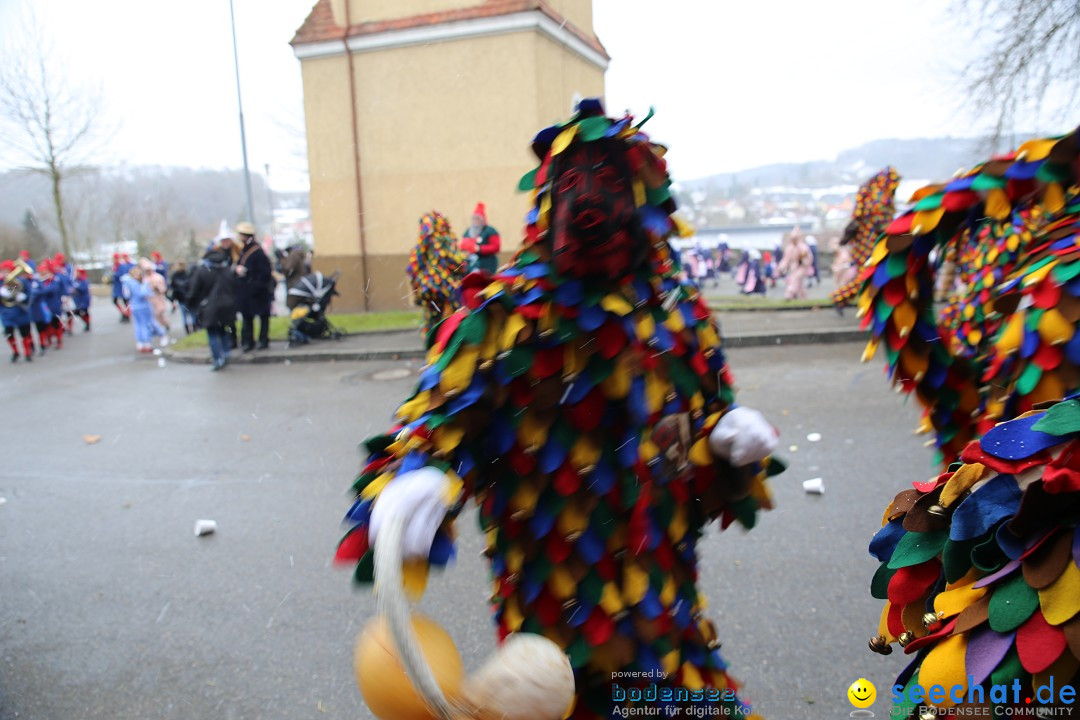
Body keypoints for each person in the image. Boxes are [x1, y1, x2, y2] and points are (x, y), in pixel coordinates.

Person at [337, 100, 782, 720]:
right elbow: (437, 425)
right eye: (572, 181)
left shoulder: (680, 316)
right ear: (547, 199)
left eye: (608, 178)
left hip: (667, 627)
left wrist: (727, 445)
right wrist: (413, 477)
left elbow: (699, 471)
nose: (590, 198)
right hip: (547, 650)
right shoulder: (502, 318)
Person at [406, 211, 468, 337]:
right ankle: (445, 338)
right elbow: (455, 262)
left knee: (433, 316)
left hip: (428, 287)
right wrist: (462, 262)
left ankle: (433, 340)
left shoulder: (424, 243)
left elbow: (415, 265)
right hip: (444, 287)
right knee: (450, 315)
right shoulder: (443, 241)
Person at [186, 246, 237, 370]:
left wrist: (190, 303)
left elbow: (194, 290)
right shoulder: (226, 269)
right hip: (227, 305)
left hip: (209, 306)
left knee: (213, 333)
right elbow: (234, 285)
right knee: (223, 330)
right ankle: (226, 354)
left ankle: (217, 359)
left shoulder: (202, 270)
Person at [233, 221, 273, 351]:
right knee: (247, 318)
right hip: (247, 291)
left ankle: (262, 340)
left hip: (256, 292)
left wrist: (254, 284)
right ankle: (248, 341)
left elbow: (264, 273)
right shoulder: (245, 251)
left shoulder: (257, 252)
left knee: (262, 317)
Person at [120, 264, 165, 353]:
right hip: (143, 306)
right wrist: (145, 284)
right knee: (146, 324)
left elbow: (126, 295)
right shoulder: (136, 283)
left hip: (134, 306)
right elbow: (142, 294)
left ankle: (141, 342)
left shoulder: (127, 283)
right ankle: (147, 342)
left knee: (139, 324)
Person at [1, 260, 34, 362]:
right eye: (3, 270)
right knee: (9, 334)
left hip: (20, 311)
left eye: (7, 270)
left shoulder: (21, 281)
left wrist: (23, 297)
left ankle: (27, 352)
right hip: (6, 312)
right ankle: (15, 352)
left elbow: (30, 293)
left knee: (25, 333)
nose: (5, 273)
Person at [460, 202, 501, 274]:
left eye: (478, 219)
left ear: (482, 220)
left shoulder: (490, 231)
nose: (475, 221)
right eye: (474, 218)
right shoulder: (468, 232)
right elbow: (463, 245)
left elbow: (496, 247)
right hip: (470, 265)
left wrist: (479, 248)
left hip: (487, 265)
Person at [777, 228, 812, 300]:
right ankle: (802, 296)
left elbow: (808, 258)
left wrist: (803, 260)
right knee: (798, 282)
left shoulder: (803, 247)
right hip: (794, 267)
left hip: (802, 266)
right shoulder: (790, 247)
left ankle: (790, 293)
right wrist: (781, 266)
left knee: (795, 278)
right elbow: (786, 258)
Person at [141, 257, 171, 341]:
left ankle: (165, 325)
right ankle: (157, 330)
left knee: (160, 313)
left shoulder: (158, 277)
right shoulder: (144, 279)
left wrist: (157, 288)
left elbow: (163, 288)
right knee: (153, 316)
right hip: (149, 300)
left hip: (158, 298)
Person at [168, 261, 196, 334]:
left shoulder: (174, 276)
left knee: (185, 316)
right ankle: (194, 331)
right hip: (189, 298)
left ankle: (188, 332)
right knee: (192, 315)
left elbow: (173, 288)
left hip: (181, 298)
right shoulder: (188, 274)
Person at [111, 253, 132, 322]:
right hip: (117, 287)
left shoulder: (122, 266)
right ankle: (123, 313)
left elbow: (124, 276)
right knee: (115, 301)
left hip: (122, 287)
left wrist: (115, 274)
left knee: (125, 301)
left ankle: (127, 314)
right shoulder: (114, 266)